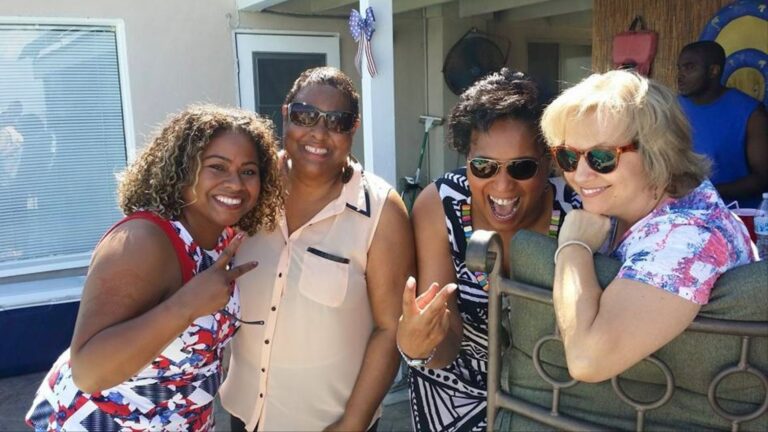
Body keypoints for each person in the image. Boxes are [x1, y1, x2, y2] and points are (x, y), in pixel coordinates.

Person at [24, 104, 284, 431]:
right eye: (217, 167)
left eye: (248, 171)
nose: (235, 183)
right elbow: (88, 372)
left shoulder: (222, 239)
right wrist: (186, 305)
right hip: (106, 422)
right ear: (181, 170)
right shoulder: (143, 241)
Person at [220, 66, 414, 432]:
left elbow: (390, 328)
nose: (319, 134)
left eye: (337, 121)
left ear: (353, 128)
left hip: (332, 425)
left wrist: (353, 423)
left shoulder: (381, 211)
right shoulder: (249, 191)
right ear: (286, 115)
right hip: (243, 415)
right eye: (305, 115)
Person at [540, 69, 757, 383]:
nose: (581, 175)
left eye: (602, 157)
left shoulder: (687, 238)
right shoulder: (629, 206)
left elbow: (587, 360)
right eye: (568, 156)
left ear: (658, 152)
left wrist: (573, 247)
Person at [395, 69, 580, 431]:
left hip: (550, 397)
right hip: (453, 393)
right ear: (467, 161)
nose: (503, 185)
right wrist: (421, 345)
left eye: (522, 167)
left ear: (548, 162)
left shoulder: (577, 209)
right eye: (484, 166)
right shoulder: (442, 203)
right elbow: (445, 339)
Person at [676, 40, 768, 208]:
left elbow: (763, 178)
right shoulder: (671, 108)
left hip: (736, 216)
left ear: (713, 71)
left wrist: (705, 193)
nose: (680, 75)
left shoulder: (751, 113)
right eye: (680, 68)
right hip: (680, 214)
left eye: (689, 68)